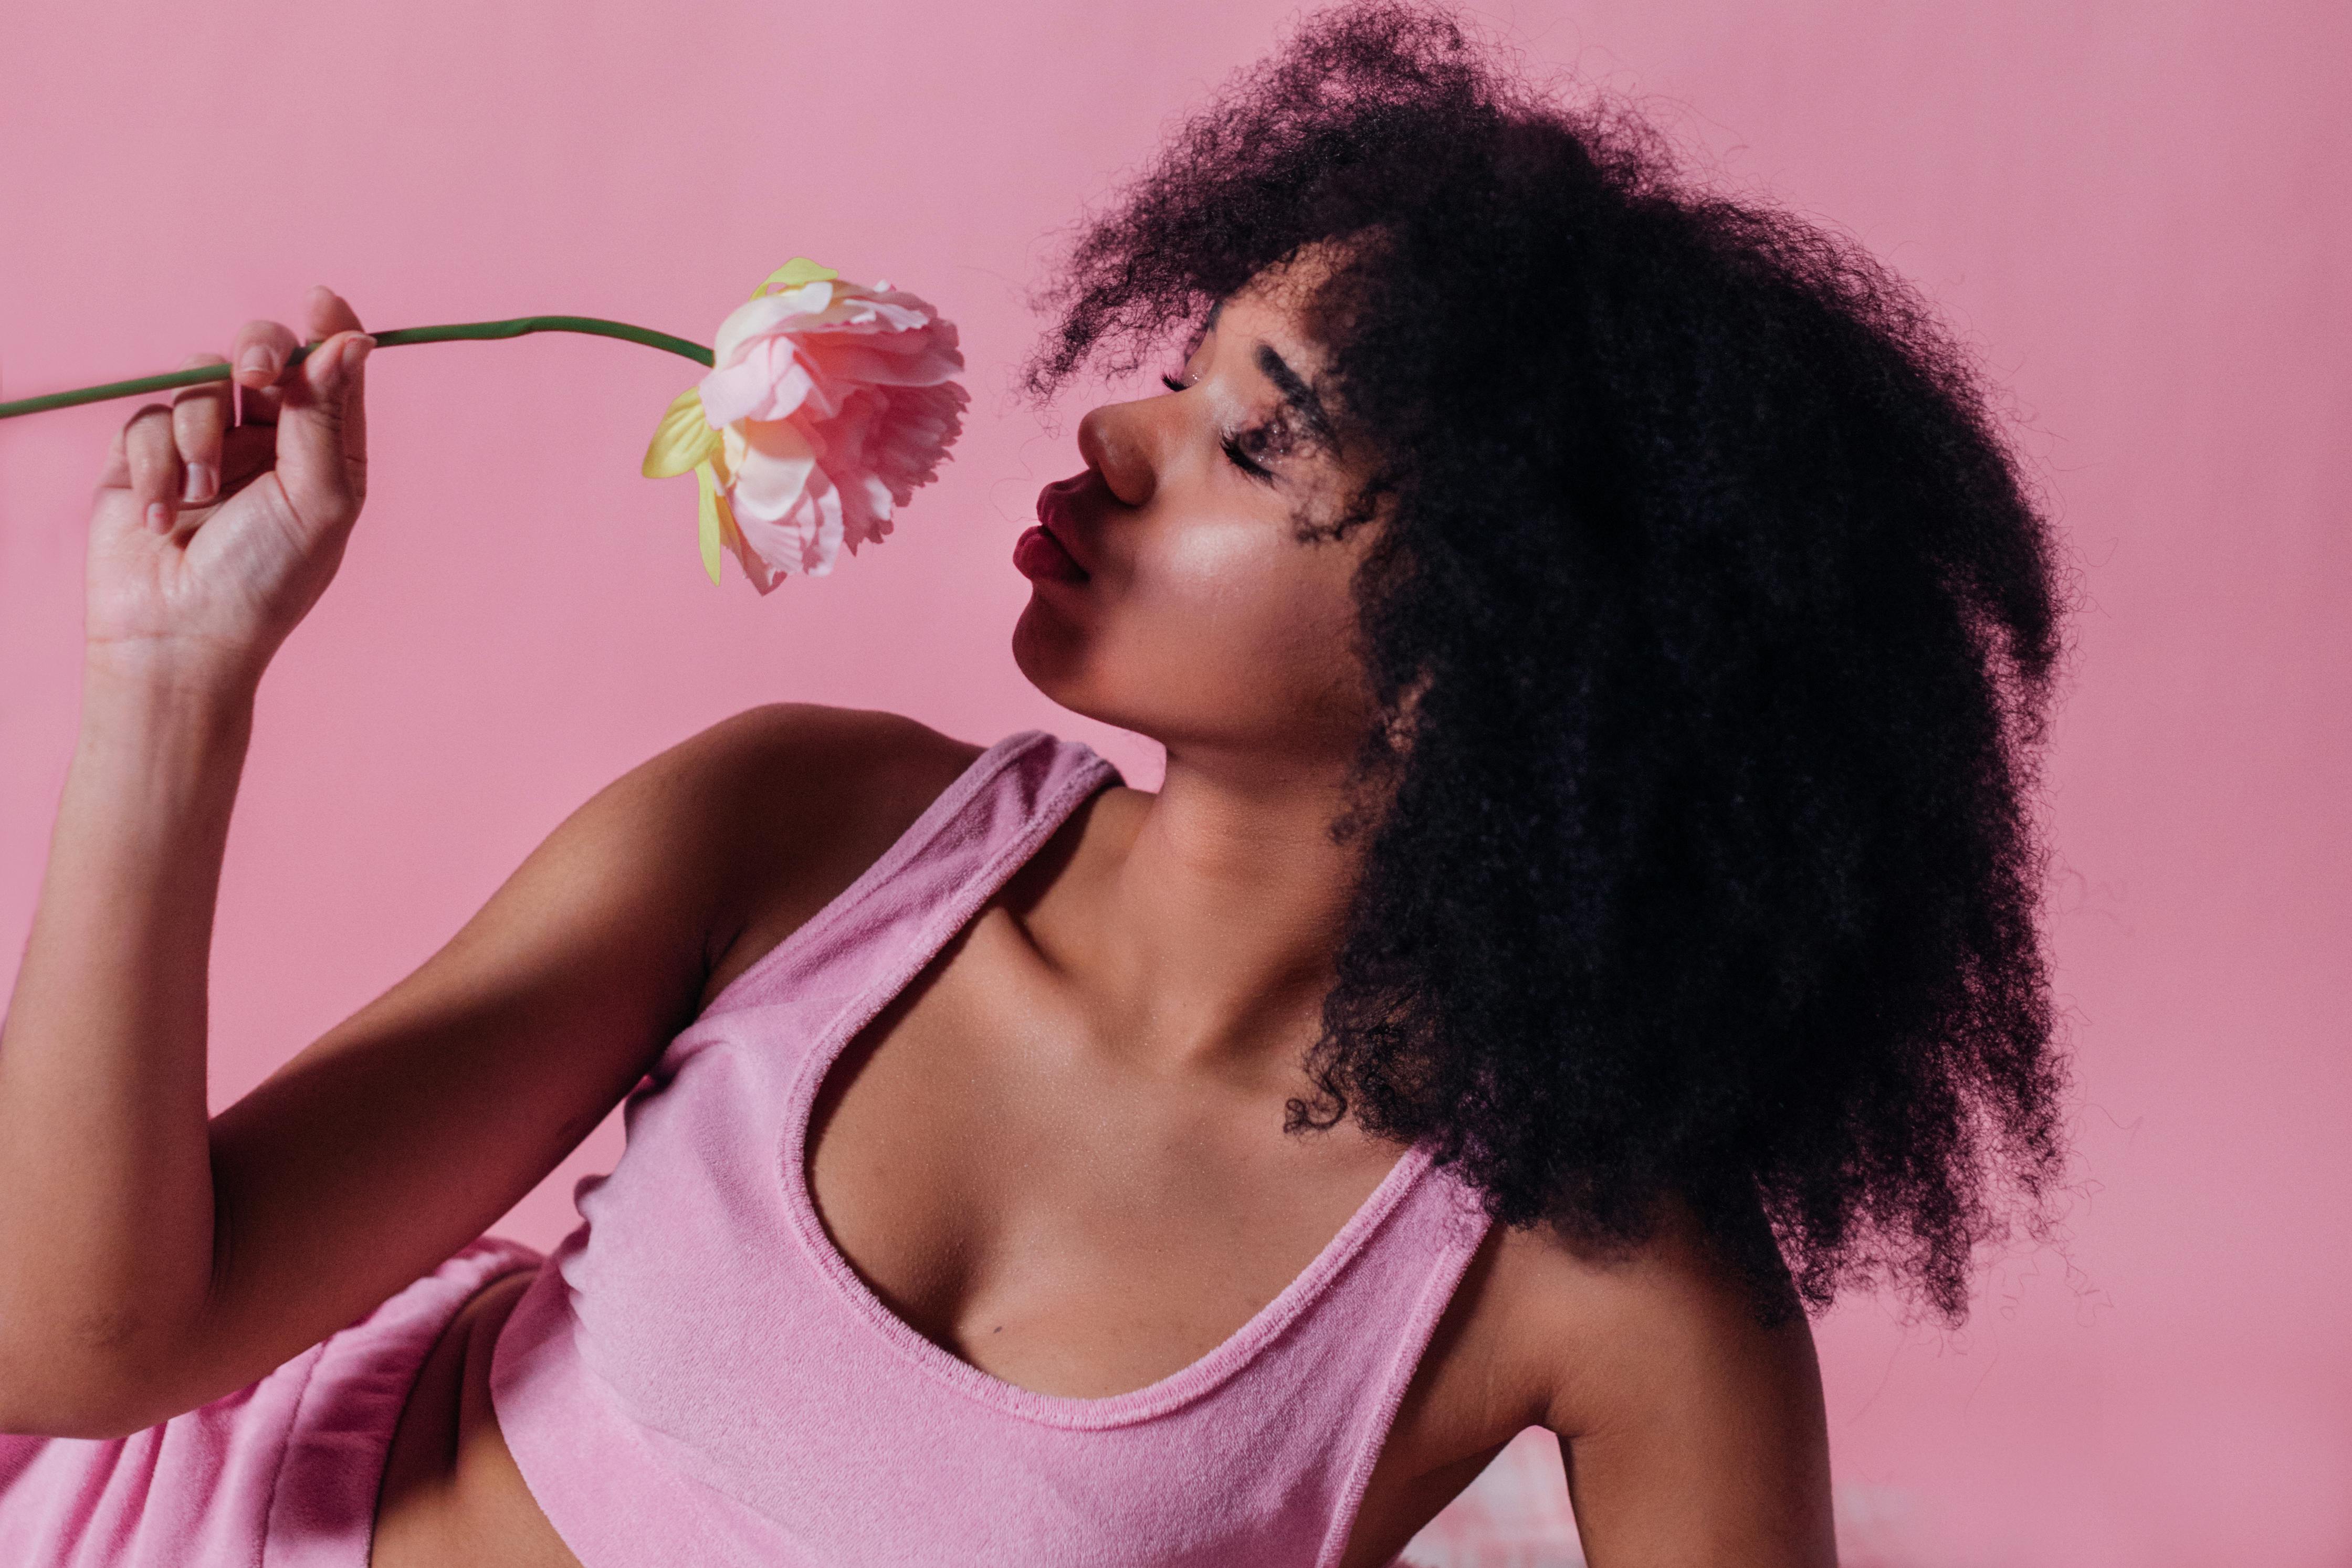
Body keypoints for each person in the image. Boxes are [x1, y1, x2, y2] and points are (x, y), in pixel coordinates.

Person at [0, 4, 2069, 1564]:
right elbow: (89, 1350)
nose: (1111, 438)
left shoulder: (1601, 1283)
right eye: (1176, 376)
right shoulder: (808, 837)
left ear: (1496, 658)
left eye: (1253, 447)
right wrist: (171, 686)